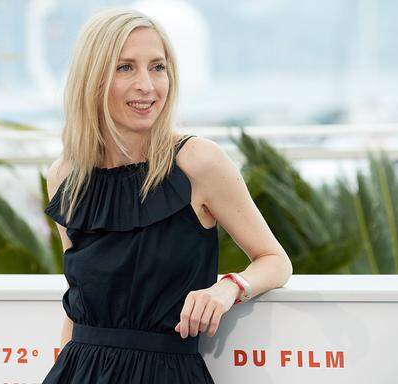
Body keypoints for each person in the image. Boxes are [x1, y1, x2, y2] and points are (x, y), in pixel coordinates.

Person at [41, 7, 292, 383]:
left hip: (167, 373)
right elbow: (78, 304)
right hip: (79, 372)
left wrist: (228, 288)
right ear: (91, 79)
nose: (148, 84)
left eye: (158, 67)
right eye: (125, 67)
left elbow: (275, 260)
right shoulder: (65, 175)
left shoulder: (198, 162)